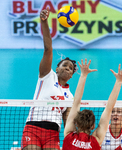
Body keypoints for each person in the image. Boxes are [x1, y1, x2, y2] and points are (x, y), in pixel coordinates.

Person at [21, 7, 77, 150]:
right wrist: (44, 22)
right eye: (64, 65)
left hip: (53, 133)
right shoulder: (47, 75)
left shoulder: (70, 96)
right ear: (57, 68)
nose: (67, 68)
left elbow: (68, 122)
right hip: (33, 127)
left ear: (71, 76)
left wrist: (75, 140)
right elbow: (48, 48)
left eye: (70, 68)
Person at [62, 59, 122, 150]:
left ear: (76, 123)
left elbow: (76, 103)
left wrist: (83, 75)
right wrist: (119, 81)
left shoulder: (69, 135)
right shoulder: (95, 140)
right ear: (93, 126)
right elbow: (108, 108)